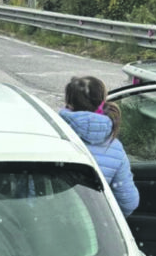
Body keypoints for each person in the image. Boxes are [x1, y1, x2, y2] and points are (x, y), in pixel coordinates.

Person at [59, 76, 140, 216]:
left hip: (49, 225)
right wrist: (103, 221)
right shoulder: (115, 148)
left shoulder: (54, 135)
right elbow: (129, 202)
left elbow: (31, 191)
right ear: (102, 102)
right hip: (93, 229)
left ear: (69, 103)